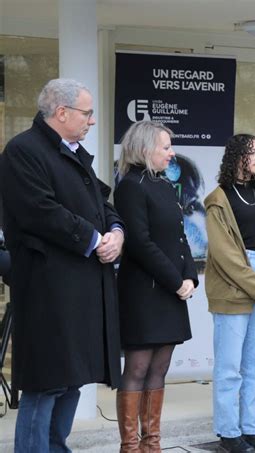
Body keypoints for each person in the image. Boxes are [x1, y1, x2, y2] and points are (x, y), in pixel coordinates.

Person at [0, 78, 124, 452]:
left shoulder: (73, 152)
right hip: (48, 290)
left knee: (72, 380)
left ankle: (57, 447)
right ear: (62, 113)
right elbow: (41, 212)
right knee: (46, 383)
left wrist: (116, 231)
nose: (92, 121)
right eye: (87, 113)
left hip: (82, 288)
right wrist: (92, 239)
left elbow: (103, 203)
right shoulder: (23, 151)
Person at [114, 121, 198, 452]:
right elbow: (140, 243)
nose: (171, 153)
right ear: (146, 149)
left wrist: (190, 275)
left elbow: (179, 237)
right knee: (136, 369)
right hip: (144, 294)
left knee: (159, 370)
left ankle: (152, 444)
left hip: (170, 291)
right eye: (165, 147)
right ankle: (130, 446)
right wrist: (176, 281)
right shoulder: (130, 187)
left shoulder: (163, 185)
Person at [205, 134, 255, 453]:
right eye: (253, 152)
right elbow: (227, 258)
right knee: (229, 367)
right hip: (234, 286)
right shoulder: (219, 199)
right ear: (237, 156)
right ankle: (229, 433)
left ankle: (251, 429)